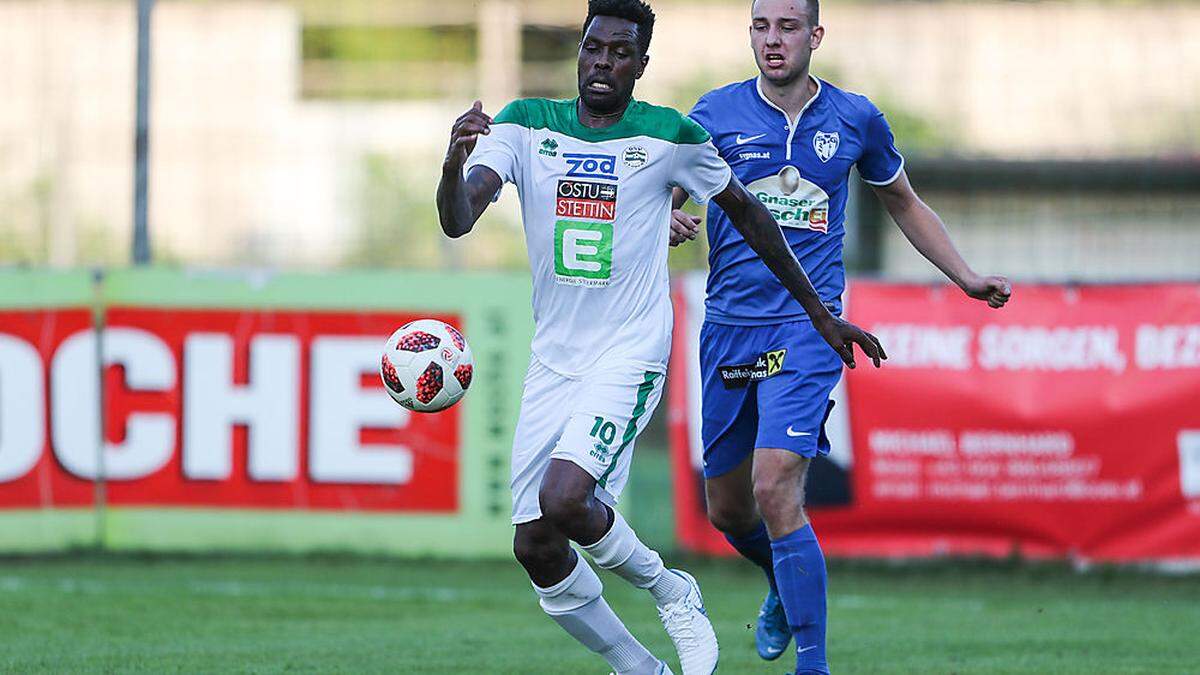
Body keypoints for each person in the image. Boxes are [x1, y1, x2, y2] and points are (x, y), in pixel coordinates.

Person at [436, 1, 884, 673]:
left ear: (641, 66)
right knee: (535, 542)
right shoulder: (525, 124)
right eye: (594, 48)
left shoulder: (670, 136)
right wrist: (452, 160)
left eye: (620, 53)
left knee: (567, 498)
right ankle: (639, 667)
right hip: (554, 359)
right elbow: (458, 218)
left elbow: (750, 213)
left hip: (630, 347)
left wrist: (820, 313)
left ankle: (673, 590)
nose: (602, 63)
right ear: (579, 51)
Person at [668, 0, 1012, 672]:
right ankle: (781, 583)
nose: (773, 40)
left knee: (776, 487)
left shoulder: (856, 118)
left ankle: (814, 664)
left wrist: (965, 276)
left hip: (811, 324)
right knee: (729, 509)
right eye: (761, 27)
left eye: (788, 27)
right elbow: (664, 197)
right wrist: (663, 222)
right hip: (730, 330)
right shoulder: (710, 115)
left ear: (815, 36)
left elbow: (904, 201)